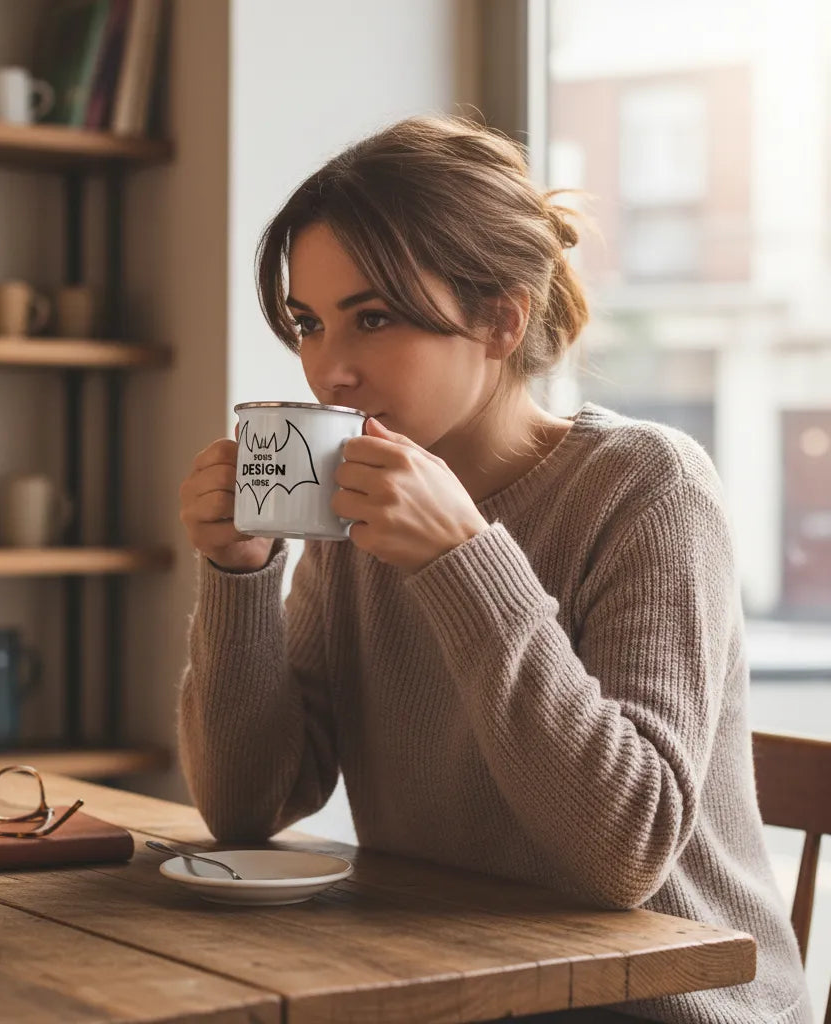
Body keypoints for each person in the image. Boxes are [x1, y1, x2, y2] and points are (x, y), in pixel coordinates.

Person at [176, 115, 811, 1024]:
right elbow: (250, 811)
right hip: (462, 982)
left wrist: (462, 561)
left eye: (374, 317)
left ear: (502, 319)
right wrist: (237, 577)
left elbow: (623, 855)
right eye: (309, 324)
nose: (329, 369)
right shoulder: (350, 505)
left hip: (670, 1005)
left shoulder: (646, 487)